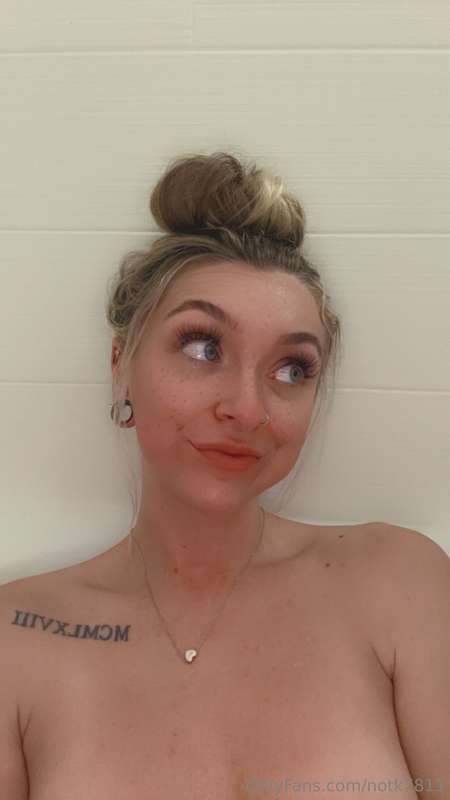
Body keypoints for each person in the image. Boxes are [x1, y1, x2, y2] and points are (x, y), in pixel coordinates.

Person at [1, 151, 448, 799]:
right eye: (203, 346)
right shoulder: (16, 638)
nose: (247, 407)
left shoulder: (401, 584)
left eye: (292, 369)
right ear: (121, 365)